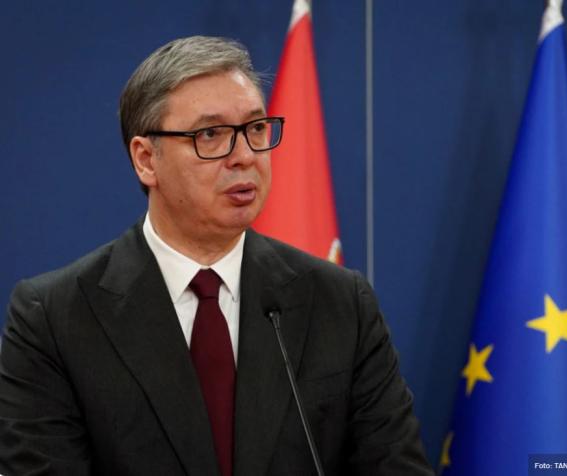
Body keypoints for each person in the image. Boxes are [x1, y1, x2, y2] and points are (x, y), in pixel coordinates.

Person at [0, 36, 433, 476]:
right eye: (210, 135)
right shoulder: (54, 319)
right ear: (146, 160)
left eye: (256, 129)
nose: (244, 156)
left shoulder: (341, 303)